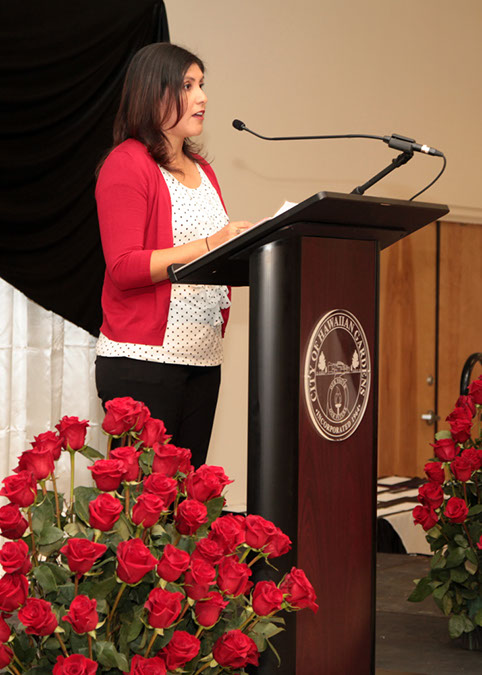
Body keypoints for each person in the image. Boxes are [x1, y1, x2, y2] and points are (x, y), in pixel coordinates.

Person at [95, 43, 252, 467]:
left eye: (202, 84)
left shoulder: (205, 170)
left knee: (188, 506)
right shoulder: (126, 164)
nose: (202, 97)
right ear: (154, 92)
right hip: (143, 362)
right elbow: (124, 267)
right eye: (188, 85)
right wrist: (211, 243)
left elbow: (216, 251)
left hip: (202, 358)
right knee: (145, 508)